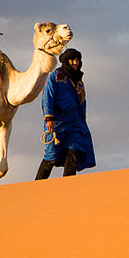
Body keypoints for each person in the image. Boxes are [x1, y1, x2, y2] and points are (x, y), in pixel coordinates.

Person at [35, 48, 95, 179]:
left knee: (73, 153)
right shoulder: (56, 77)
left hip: (75, 125)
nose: (75, 63)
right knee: (51, 156)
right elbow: (47, 97)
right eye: (72, 60)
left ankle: (68, 187)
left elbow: (81, 104)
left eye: (77, 60)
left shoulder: (79, 81)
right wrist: (49, 118)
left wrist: (82, 123)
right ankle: (37, 187)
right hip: (57, 124)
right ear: (66, 61)